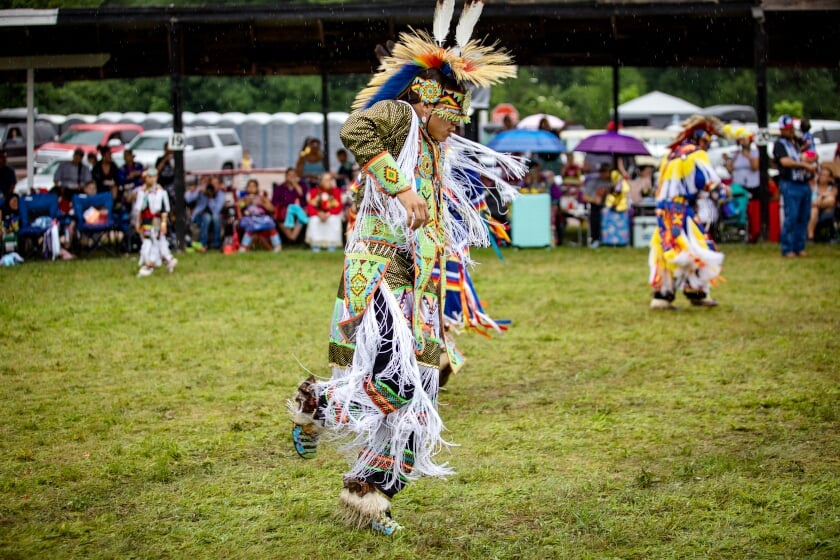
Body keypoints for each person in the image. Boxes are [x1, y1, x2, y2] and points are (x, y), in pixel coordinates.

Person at [288, 4, 520, 537]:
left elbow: (438, 212)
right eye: (452, 114)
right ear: (428, 98)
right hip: (379, 269)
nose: (456, 125)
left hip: (419, 283)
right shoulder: (399, 117)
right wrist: (403, 186)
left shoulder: (438, 149)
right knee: (393, 381)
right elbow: (355, 129)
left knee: (421, 401)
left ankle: (367, 493)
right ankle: (314, 399)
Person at [649, 115, 726, 309]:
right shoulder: (695, 154)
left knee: (668, 250)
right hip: (681, 210)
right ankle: (696, 292)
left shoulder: (671, 154)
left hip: (663, 210)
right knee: (698, 249)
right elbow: (708, 182)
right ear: (701, 138)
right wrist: (723, 191)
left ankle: (662, 295)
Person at [774, 114, 817, 258]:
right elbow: (785, 162)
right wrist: (804, 164)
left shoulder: (798, 142)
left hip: (804, 183)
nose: (790, 131)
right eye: (787, 129)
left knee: (804, 216)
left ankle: (800, 246)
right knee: (791, 216)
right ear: (781, 130)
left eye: (791, 128)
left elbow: (811, 152)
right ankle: (787, 248)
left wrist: (811, 158)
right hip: (790, 184)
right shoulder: (779, 144)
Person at [135, 167, 177, 277]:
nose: (151, 179)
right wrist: (138, 221)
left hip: (156, 219)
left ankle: (150, 264)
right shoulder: (142, 192)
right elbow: (139, 209)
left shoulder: (161, 193)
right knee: (149, 240)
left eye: (153, 177)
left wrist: (163, 222)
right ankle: (168, 259)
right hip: (146, 220)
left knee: (156, 239)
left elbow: (164, 209)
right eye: (149, 177)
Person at [238, 178, 282, 252]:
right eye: (249, 186)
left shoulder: (262, 198)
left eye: (254, 186)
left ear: (257, 188)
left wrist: (263, 203)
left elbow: (272, 209)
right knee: (250, 227)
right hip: (250, 219)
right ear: (246, 188)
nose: (251, 188)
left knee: (271, 224)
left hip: (262, 219)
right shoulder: (244, 198)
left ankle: (277, 247)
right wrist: (246, 203)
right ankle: (243, 247)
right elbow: (239, 206)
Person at [304, 172, 343, 251]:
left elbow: (339, 206)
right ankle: (315, 245)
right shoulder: (314, 191)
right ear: (321, 181)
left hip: (331, 214)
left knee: (333, 219)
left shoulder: (336, 191)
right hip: (318, 214)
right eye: (326, 180)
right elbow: (310, 207)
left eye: (330, 179)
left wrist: (329, 213)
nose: (329, 182)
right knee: (314, 220)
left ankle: (332, 245)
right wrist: (318, 213)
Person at [185, 176, 226, 251]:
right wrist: (198, 190)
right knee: (207, 217)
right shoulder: (201, 191)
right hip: (199, 216)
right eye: (212, 183)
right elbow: (188, 199)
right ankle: (203, 244)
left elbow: (216, 210)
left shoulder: (221, 194)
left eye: (216, 184)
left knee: (215, 217)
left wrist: (210, 198)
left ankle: (216, 244)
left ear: (219, 185)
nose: (214, 185)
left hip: (214, 217)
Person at [271, 169, 309, 243]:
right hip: (285, 210)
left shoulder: (302, 185)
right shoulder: (279, 188)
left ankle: (293, 236)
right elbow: (274, 202)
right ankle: (291, 237)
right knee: (279, 215)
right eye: (289, 175)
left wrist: (295, 184)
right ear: (285, 176)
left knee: (303, 214)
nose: (291, 177)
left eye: (293, 175)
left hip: (300, 209)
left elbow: (303, 196)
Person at [582, 162, 612, 247]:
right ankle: (595, 239)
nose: (605, 174)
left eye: (607, 172)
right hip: (597, 207)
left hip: (612, 206)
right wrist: (594, 200)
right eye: (603, 172)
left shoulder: (614, 182)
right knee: (595, 212)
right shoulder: (593, 182)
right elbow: (585, 197)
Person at [808, 166, 837, 241]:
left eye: (824, 175)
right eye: (820, 174)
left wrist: (820, 197)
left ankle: (811, 236)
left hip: (825, 213)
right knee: (814, 210)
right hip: (810, 212)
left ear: (830, 178)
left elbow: (832, 200)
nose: (821, 176)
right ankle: (810, 236)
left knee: (831, 199)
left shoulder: (833, 188)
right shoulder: (812, 186)